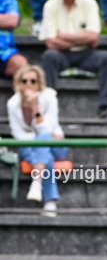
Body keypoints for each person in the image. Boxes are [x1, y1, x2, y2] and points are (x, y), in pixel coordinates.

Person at [39, 0, 107, 118]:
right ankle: (50, 107)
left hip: (86, 54)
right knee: (49, 56)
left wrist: (62, 36)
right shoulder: (50, 6)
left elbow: (94, 37)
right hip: (61, 55)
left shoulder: (89, 3)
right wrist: (81, 39)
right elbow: (50, 43)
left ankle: (104, 107)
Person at [7, 64, 68, 215]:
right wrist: (39, 140)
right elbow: (17, 133)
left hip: (56, 145)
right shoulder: (12, 103)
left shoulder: (50, 98)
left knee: (43, 140)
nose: (29, 84)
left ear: (39, 83)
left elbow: (48, 129)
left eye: (33, 81)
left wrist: (36, 109)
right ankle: (50, 202)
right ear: (18, 83)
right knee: (44, 153)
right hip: (31, 146)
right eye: (24, 80)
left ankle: (37, 182)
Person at [0, 0, 29, 79]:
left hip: (4, 54)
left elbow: (12, 21)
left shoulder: (8, 1)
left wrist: (7, 20)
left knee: (23, 67)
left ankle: (29, 96)